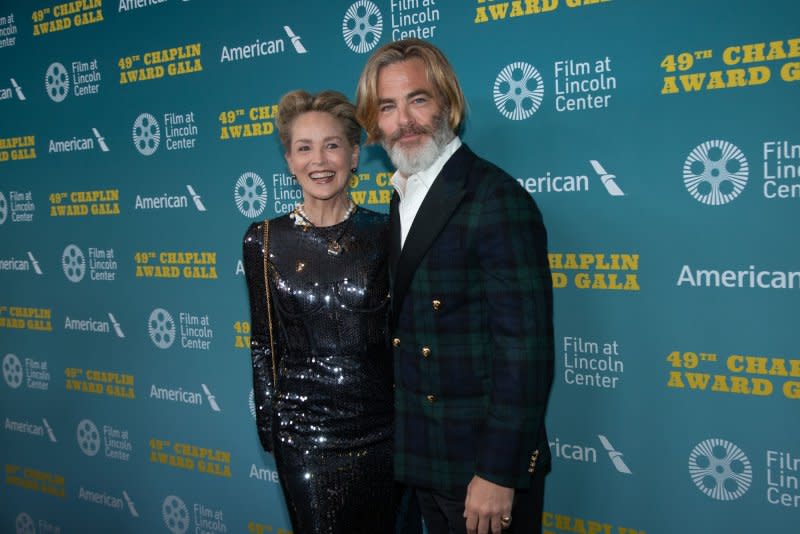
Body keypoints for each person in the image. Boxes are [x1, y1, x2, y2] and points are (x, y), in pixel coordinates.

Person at [356, 39, 555, 534]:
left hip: (481, 472)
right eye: (388, 106)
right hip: (429, 459)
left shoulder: (494, 197)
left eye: (417, 99)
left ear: (449, 103)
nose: (404, 120)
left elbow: (525, 350)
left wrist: (497, 471)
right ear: (375, 121)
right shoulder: (403, 196)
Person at [243, 90, 396, 533]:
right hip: (305, 436)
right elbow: (262, 343)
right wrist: (271, 429)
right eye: (304, 148)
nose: (319, 161)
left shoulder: (386, 232)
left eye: (332, 145)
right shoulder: (264, 240)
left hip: (384, 430)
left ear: (353, 154)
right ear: (289, 160)